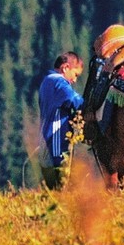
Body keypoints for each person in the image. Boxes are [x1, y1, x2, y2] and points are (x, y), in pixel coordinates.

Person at [37, 51, 84, 189]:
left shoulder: (46, 81)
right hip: (57, 148)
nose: (74, 80)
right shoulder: (58, 82)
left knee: (50, 192)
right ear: (65, 68)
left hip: (45, 145)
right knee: (60, 190)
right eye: (75, 75)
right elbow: (77, 102)